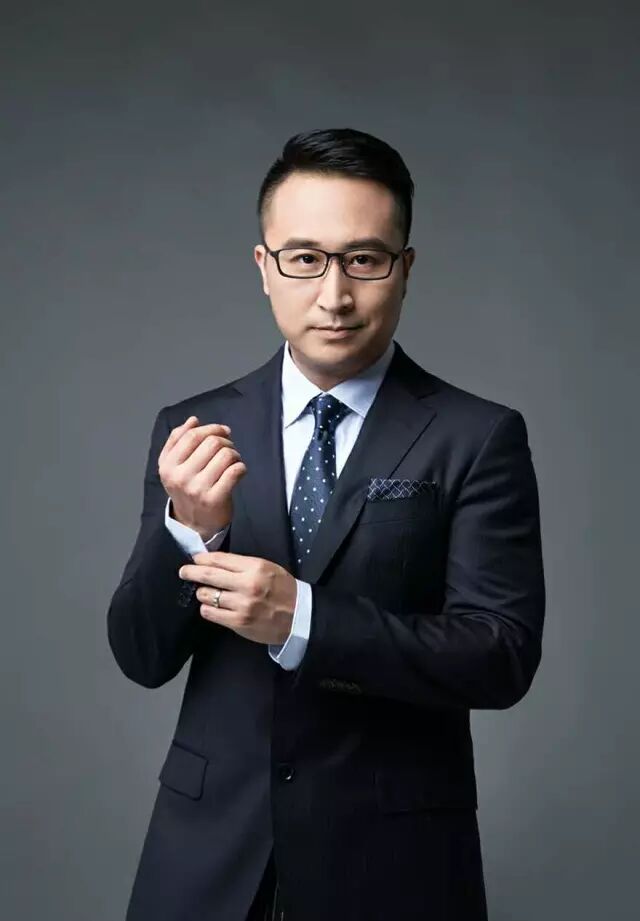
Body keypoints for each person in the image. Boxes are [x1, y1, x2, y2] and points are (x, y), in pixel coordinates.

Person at [107, 127, 546, 921]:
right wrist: (190, 533)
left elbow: (501, 655)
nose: (334, 295)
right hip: (206, 861)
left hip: (396, 864)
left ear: (405, 268)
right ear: (263, 267)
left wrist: (302, 618)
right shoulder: (193, 428)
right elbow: (141, 656)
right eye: (304, 258)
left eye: (364, 259)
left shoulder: (478, 436)